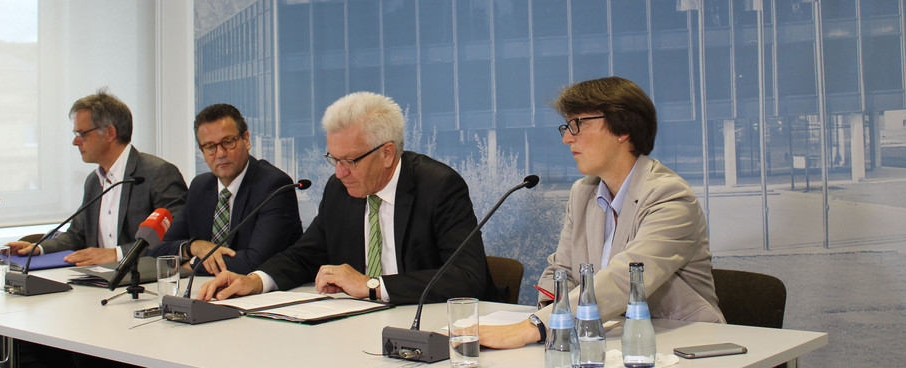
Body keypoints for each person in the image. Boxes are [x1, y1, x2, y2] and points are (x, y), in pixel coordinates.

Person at [481, 76, 723, 349]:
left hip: (685, 344)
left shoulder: (670, 197)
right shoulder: (583, 192)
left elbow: (627, 278)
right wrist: (551, 308)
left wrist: (539, 324)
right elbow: (562, 270)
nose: (566, 138)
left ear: (622, 129)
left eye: (578, 125)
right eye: (566, 126)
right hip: (606, 342)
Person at [196, 91, 496, 305]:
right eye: (333, 159)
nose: (340, 172)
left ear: (387, 153)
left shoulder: (439, 187)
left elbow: (467, 276)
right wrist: (255, 280)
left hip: (430, 331)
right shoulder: (340, 190)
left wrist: (372, 285)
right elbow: (304, 255)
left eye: (350, 160)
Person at [6, 89, 187, 266]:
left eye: (82, 134)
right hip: (97, 281)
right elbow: (77, 236)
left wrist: (116, 254)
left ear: (109, 133)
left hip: (142, 283)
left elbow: (175, 240)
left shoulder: (158, 173)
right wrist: (38, 248)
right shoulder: (94, 181)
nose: (75, 141)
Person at [147, 103, 303, 275]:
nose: (220, 153)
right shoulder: (200, 187)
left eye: (228, 142)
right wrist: (193, 246)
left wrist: (193, 263)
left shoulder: (274, 186)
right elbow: (157, 250)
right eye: (210, 147)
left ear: (246, 139)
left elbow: (256, 261)